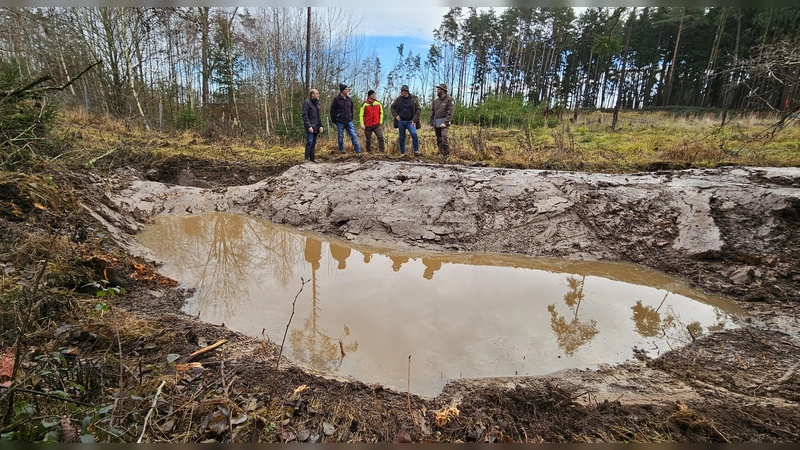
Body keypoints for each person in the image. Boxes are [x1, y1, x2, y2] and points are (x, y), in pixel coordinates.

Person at [329, 83, 362, 155]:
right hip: (340, 121)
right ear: (342, 90)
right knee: (340, 136)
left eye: (348, 89)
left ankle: (358, 150)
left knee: (353, 135)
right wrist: (335, 120)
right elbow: (332, 110)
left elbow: (351, 110)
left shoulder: (349, 99)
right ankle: (342, 150)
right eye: (346, 89)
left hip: (349, 121)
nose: (348, 90)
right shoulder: (336, 99)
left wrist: (351, 117)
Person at [390, 85, 421, 157]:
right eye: (401, 91)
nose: (401, 92)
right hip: (401, 121)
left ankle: (416, 151)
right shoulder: (399, 99)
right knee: (401, 137)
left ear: (406, 91)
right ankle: (403, 153)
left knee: (414, 134)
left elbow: (418, 110)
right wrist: (396, 116)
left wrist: (414, 120)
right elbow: (392, 107)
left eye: (402, 91)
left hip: (411, 122)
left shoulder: (413, 99)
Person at [430, 83, 455, 163]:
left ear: (443, 90)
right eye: (437, 89)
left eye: (439, 89)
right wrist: (431, 124)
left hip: (444, 121)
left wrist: (445, 122)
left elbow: (450, 112)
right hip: (437, 121)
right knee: (438, 138)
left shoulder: (449, 99)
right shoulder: (436, 101)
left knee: (444, 137)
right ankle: (440, 152)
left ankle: (446, 154)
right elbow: (433, 113)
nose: (437, 91)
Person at [301, 88, 324, 163]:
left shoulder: (317, 104)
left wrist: (320, 126)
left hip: (316, 126)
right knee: (309, 142)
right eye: (316, 93)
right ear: (312, 95)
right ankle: (306, 159)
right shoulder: (307, 103)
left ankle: (312, 158)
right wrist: (308, 126)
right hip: (310, 126)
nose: (318, 95)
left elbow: (318, 116)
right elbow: (305, 115)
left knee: (314, 143)